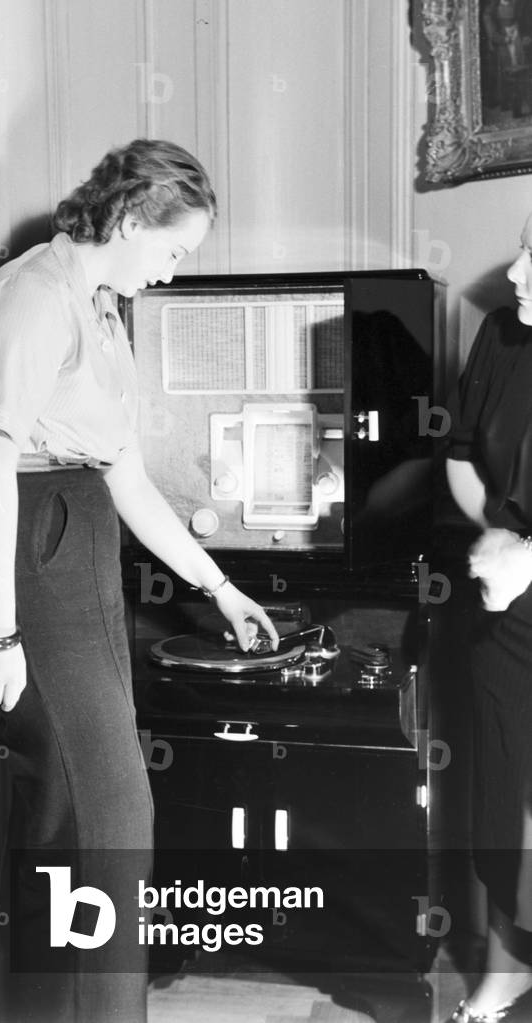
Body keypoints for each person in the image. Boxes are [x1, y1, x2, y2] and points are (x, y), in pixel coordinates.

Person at [0, 138, 278, 1023]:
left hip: (74, 539)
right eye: (172, 250)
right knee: (106, 819)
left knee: (74, 812)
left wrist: (218, 587)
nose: (170, 272)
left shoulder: (98, 307)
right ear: (127, 218)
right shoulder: (33, 295)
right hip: (30, 545)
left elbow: (123, 474)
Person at [445, 211, 532, 1022]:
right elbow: (459, 458)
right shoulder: (501, 337)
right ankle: (507, 968)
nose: (513, 272)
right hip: (508, 612)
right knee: (510, 799)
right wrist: (497, 536)